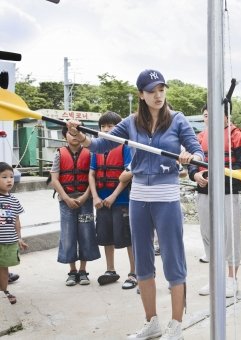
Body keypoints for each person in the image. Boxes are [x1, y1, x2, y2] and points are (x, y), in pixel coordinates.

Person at [68, 69, 204, 340]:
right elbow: (99, 146)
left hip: (166, 197)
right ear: (141, 95)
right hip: (139, 197)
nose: (158, 95)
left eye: (162, 89)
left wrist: (191, 156)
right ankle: (151, 322)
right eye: (152, 90)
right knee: (142, 262)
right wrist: (80, 136)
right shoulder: (130, 123)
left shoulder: (177, 120)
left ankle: (176, 325)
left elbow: (196, 149)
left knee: (174, 261)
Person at [189, 103, 241, 298]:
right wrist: (195, 176)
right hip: (204, 191)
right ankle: (215, 278)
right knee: (207, 234)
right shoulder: (200, 137)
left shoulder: (236, 135)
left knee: (230, 235)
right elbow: (192, 163)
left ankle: (232, 279)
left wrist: (221, 175)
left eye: (214, 114)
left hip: (227, 191)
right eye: (206, 115)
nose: (209, 118)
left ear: (226, 116)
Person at [89, 111, 137, 289]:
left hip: (122, 201)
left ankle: (134, 272)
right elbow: (92, 173)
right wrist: (95, 196)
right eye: (103, 126)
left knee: (128, 238)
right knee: (105, 236)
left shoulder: (125, 147)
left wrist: (114, 195)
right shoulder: (97, 149)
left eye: (111, 126)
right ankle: (110, 270)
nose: (107, 129)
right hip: (101, 201)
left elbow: (127, 175)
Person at [50, 126, 101, 287]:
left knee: (86, 232)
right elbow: (54, 179)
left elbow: (92, 176)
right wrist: (65, 198)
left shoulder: (90, 153)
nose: (73, 136)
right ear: (64, 136)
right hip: (66, 202)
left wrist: (86, 196)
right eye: (70, 133)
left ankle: (83, 270)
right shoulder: (59, 153)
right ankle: (72, 271)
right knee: (68, 234)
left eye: (77, 133)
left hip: (85, 200)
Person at [0, 162, 27, 305]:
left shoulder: (14, 200)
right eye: (4, 177)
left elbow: (17, 221)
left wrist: (19, 239)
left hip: (9, 241)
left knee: (4, 268)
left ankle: (4, 292)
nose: (9, 180)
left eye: (11, 176)